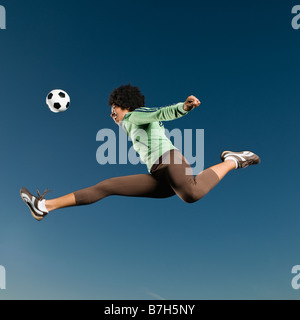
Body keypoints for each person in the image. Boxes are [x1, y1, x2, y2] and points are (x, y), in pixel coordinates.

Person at [20, 84, 261, 221]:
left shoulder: (136, 115)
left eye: (114, 108)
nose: (111, 114)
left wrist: (183, 107)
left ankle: (233, 160)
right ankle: (45, 206)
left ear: (125, 105)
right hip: (158, 174)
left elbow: (159, 113)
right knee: (107, 186)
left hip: (171, 162)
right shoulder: (128, 125)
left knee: (192, 193)